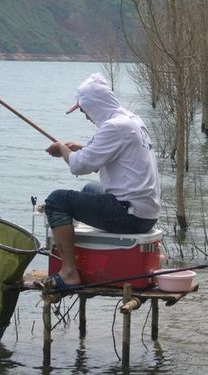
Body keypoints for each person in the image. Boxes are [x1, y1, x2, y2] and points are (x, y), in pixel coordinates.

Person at [43, 73, 161, 290]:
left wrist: (62, 149)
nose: (85, 116)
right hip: (145, 213)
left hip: (129, 216)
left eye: (83, 110)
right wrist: (82, 148)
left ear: (94, 106)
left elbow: (79, 166)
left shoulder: (114, 127)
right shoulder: (132, 120)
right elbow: (111, 155)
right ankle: (81, 252)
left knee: (56, 200)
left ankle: (69, 272)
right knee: (89, 189)